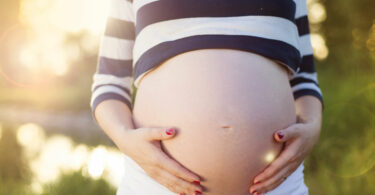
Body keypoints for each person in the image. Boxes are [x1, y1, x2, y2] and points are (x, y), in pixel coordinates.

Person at [90, 0, 323, 194]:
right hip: (156, 185)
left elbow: (304, 81)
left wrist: (313, 127)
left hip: (276, 186)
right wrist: (125, 138)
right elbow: (109, 84)